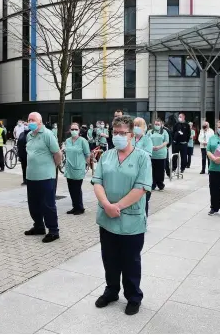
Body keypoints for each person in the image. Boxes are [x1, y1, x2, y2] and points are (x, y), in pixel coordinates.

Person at [92, 115, 152, 316]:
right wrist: (106, 205)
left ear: (131, 135)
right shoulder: (106, 156)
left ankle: (134, 296)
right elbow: (97, 181)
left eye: (122, 133)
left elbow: (141, 188)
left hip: (131, 219)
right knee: (109, 259)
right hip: (107, 218)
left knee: (130, 261)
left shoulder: (142, 157)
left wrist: (117, 206)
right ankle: (111, 291)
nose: (117, 136)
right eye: (115, 133)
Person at [24, 112, 62, 243]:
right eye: (28, 120)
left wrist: (53, 167)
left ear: (40, 122)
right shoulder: (29, 135)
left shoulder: (47, 135)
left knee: (48, 205)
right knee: (33, 204)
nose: (30, 122)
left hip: (46, 177)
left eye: (33, 120)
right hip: (31, 177)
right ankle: (39, 226)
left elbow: (57, 154)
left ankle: (53, 231)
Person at [64, 123, 91, 215]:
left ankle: (80, 207)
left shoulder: (83, 141)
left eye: (76, 129)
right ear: (69, 130)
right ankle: (74, 206)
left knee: (77, 189)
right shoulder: (67, 141)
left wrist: (87, 166)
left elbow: (87, 155)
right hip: (69, 168)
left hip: (79, 168)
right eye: (72, 129)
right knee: (71, 189)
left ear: (79, 130)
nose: (74, 131)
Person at [132, 117, 153, 216]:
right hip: (131, 170)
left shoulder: (147, 139)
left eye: (138, 125)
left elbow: (147, 155)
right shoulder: (130, 138)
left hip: (143, 170)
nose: (136, 127)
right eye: (134, 125)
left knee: (144, 198)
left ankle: (144, 219)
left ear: (143, 127)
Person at [149, 119, 169, 191]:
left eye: (158, 124)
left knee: (160, 170)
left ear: (161, 125)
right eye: (156, 124)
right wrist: (152, 147)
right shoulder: (150, 132)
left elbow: (166, 141)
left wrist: (159, 147)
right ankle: (153, 184)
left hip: (161, 154)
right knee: (152, 170)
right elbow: (147, 140)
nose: (157, 126)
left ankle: (160, 184)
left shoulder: (164, 132)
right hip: (152, 154)